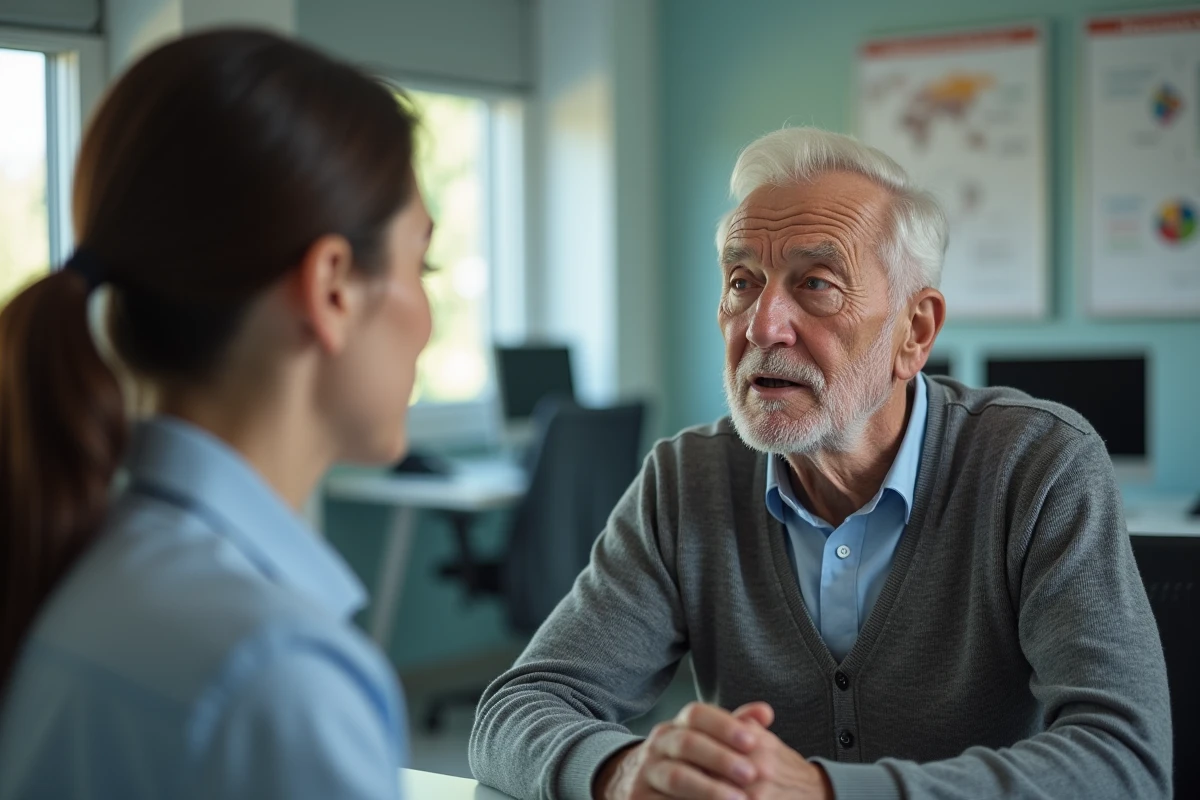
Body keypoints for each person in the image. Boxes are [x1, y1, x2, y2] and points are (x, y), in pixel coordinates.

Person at [470, 127, 1172, 800]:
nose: (761, 325)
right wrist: (622, 771)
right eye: (742, 281)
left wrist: (825, 791)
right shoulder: (687, 481)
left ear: (914, 330)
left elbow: (1124, 762)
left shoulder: (1039, 464)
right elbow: (518, 709)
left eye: (816, 284)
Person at [0, 29, 432, 799]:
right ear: (333, 288)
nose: (428, 317)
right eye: (418, 264)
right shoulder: (276, 679)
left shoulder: (65, 560)